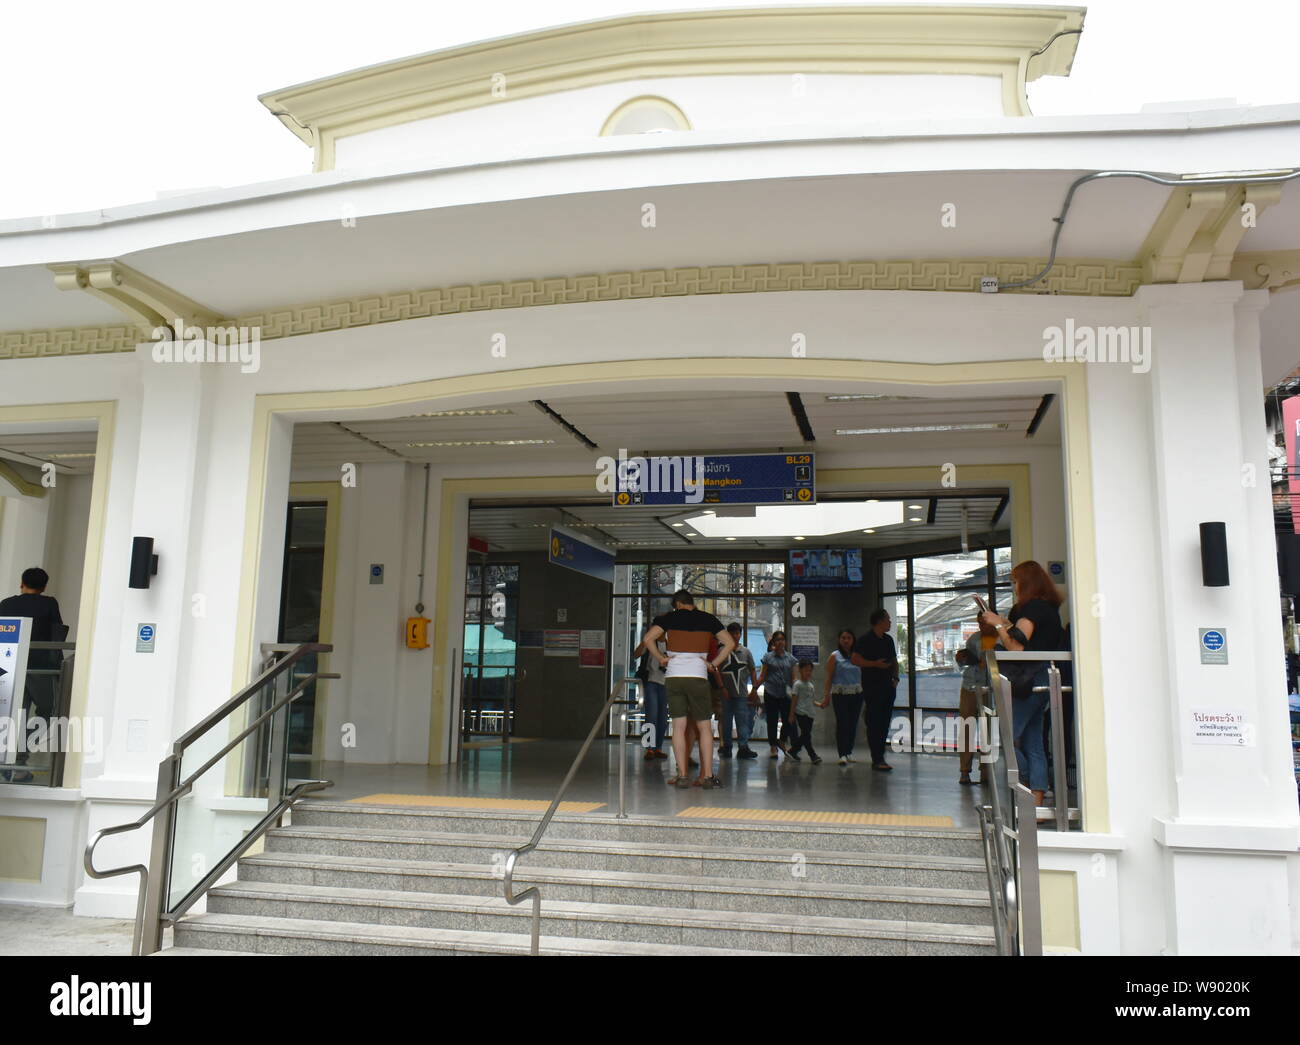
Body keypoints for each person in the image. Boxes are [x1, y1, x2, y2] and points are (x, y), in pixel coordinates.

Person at [979, 561, 1064, 808]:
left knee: (1007, 737)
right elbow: (1024, 637)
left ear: (1025, 583)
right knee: (1033, 741)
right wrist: (1005, 624)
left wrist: (997, 624)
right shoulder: (1046, 608)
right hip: (1042, 678)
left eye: (1015, 581)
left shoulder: (1034, 608)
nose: (1013, 587)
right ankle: (1036, 801)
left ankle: (1026, 787)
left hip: (1028, 679)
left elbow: (1016, 646)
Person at [640, 589, 735, 789]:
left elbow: (648, 639)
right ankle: (708, 776)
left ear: (677, 604)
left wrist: (661, 658)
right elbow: (730, 643)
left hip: (674, 677)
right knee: (704, 726)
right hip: (698, 676)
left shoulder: (669, 619)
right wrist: (713, 663)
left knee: (679, 726)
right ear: (690, 602)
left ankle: (682, 775)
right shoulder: (708, 619)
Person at [0, 567, 65, 783]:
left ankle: (11, 763)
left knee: (14, 714)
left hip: (10, 667)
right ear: (44, 586)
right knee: (49, 711)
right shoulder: (49, 603)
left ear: (22, 582)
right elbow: (57, 634)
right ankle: (20, 757)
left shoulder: (6, 604)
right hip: (41, 668)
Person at [853, 610, 899, 771]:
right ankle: (877, 758)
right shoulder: (865, 640)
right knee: (874, 723)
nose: (890, 622)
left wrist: (896, 678)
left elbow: (894, 660)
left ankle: (880, 756)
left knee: (885, 723)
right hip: (872, 687)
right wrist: (875, 664)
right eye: (888, 619)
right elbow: (855, 659)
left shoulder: (888, 640)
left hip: (888, 686)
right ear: (879, 621)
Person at [954, 617, 998, 785]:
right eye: (979, 623)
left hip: (989, 689)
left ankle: (986, 772)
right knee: (967, 727)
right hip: (970, 687)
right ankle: (964, 771)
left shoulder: (999, 638)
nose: (981, 626)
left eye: (984, 623)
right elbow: (965, 660)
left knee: (987, 731)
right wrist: (962, 657)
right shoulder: (974, 639)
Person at [750, 630, 797, 758]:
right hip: (770, 692)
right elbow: (763, 675)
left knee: (788, 720)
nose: (780, 642)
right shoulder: (768, 657)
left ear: (785, 642)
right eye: (777, 640)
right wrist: (755, 688)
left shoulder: (791, 659)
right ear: (774, 642)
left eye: (782, 639)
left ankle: (781, 740)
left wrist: (797, 690)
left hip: (785, 693)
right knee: (772, 720)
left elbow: (794, 678)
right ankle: (773, 746)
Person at [819, 628, 863, 765]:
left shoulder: (858, 656)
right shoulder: (834, 656)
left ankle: (849, 752)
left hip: (857, 694)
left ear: (853, 640)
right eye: (843, 638)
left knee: (853, 724)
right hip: (840, 694)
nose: (846, 640)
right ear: (839, 640)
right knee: (843, 724)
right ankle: (842, 754)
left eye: (849, 638)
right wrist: (826, 696)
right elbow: (829, 678)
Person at [718, 622, 759, 759]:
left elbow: (753, 670)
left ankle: (743, 747)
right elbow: (716, 670)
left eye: (737, 633)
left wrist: (754, 689)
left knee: (742, 721)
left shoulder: (746, 652)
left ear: (740, 634)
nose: (735, 636)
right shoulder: (722, 651)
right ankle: (727, 747)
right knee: (727, 721)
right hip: (726, 693)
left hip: (741, 693)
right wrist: (722, 688)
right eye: (732, 633)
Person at [632, 635, 670, 760]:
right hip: (651, 682)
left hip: (665, 683)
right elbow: (636, 654)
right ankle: (649, 748)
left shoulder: (670, 644)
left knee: (663, 718)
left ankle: (658, 747)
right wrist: (645, 641)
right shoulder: (650, 643)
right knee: (651, 716)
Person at [786, 659, 821, 763]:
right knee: (806, 735)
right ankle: (813, 756)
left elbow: (812, 700)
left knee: (805, 735)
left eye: (810, 670)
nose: (808, 673)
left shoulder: (811, 686)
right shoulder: (797, 685)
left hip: (810, 714)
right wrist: (791, 715)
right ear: (800, 670)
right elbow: (794, 700)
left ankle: (793, 751)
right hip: (801, 713)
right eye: (806, 670)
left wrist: (820, 704)